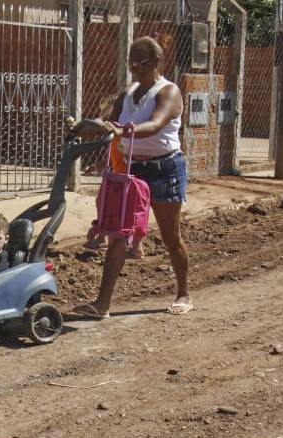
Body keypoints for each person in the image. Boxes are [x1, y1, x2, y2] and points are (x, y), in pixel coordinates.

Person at [72, 34, 193, 318]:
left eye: (141, 64)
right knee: (117, 236)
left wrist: (122, 131)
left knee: (170, 236)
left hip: (164, 169)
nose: (135, 70)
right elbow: (110, 121)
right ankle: (102, 305)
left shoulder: (169, 92)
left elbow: (155, 124)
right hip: (132, 170)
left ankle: (184, 293)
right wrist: (84, 128)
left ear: (157, 62)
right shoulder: (130, 91)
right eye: (132, 64)